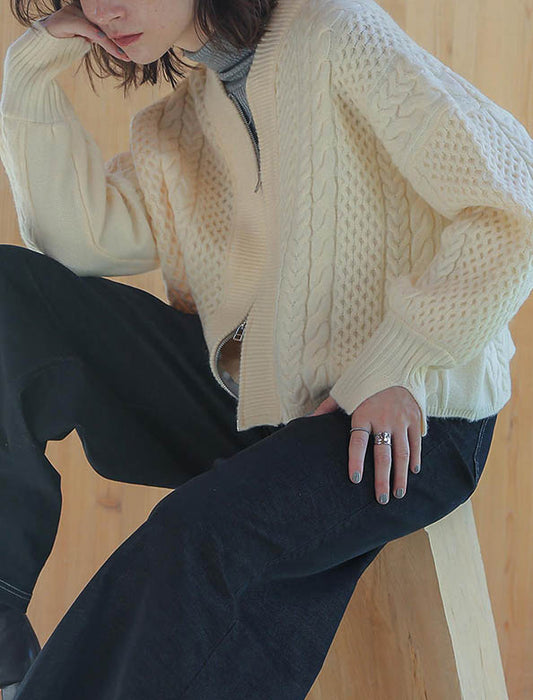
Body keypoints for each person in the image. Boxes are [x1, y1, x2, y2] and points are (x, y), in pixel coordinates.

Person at [0, 0, 530, 696]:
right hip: (260, 403)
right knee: (9, 295)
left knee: (192, 539)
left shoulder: (335, 33)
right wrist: (30, 70)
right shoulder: (177, 126)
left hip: (408, 416)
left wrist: (397, 361)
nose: (103, 8)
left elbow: (511, 201)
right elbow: (75, 243)